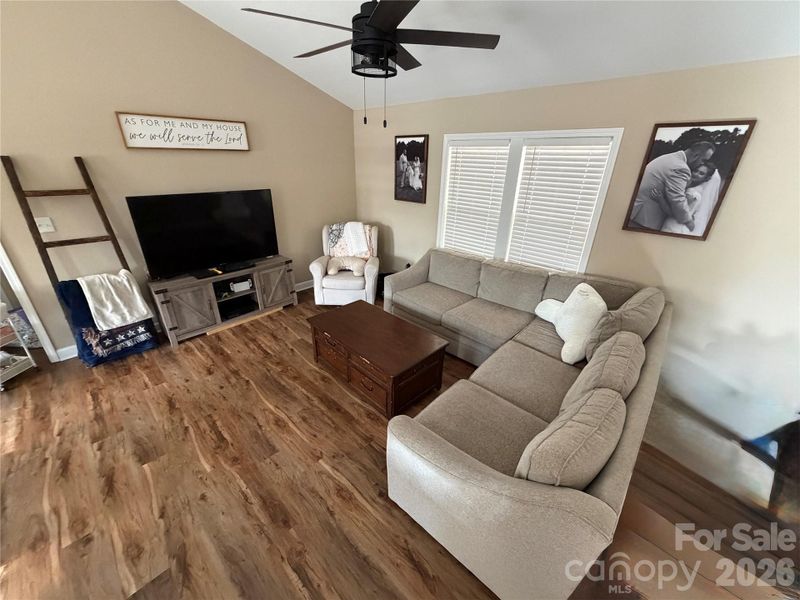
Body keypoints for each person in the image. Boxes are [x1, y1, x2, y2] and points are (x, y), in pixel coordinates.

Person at [629, 140, 716, 231]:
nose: (702, 163)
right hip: (645, 217)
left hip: (639, 211)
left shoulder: (670, 157)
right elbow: (677, 198)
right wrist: (688, 221)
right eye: (703, 160)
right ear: (696, 156)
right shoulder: (681, 167)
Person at [661, 162, 720, 235]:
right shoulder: (695, 190)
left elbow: (675, 213)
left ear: (707, 178)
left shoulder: (692, 193)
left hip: (675, 227)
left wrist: (660, 199)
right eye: (696, 171)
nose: (696, 174)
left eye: (701, 173)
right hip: (677, 225)